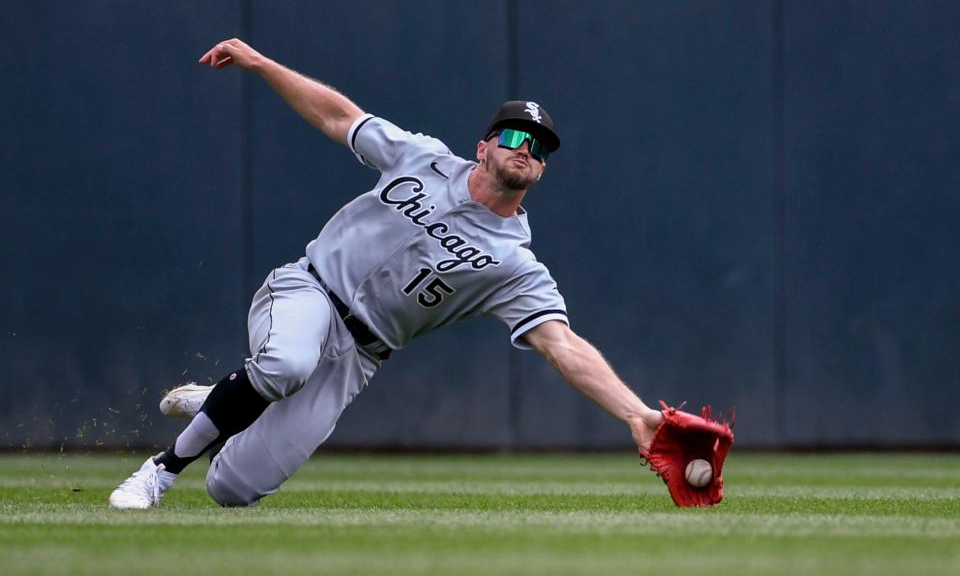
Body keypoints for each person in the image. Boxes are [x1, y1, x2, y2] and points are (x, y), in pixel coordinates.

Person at [109, 38, 664, 509]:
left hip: (360, 355)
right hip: (310, 290)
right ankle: (160, 472)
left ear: (543, 169)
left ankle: (225, 400)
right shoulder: (421, 158)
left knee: (231, 488)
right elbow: (336, 116)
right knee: (285, 363)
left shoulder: (515, 265)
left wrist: (637, 414)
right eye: (516, 136)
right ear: (483, 147)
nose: (527, 149)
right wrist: (262, 65)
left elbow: (563, 346)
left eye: (540, 148)